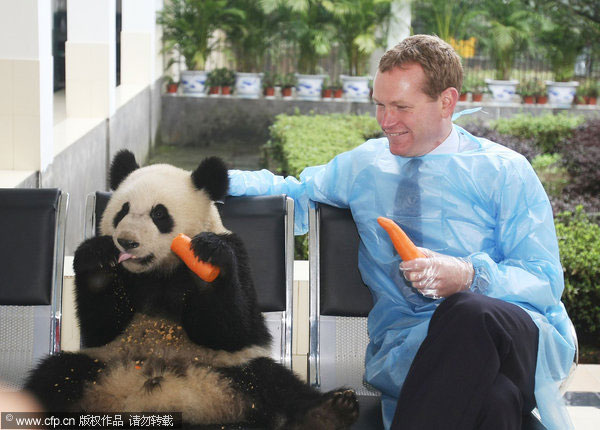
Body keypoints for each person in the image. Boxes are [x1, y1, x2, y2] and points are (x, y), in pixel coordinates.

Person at [228, 35, 576, 430]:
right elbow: (295, 195)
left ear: (447, 101)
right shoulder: (365, 166)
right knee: (496, 401)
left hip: (515, 338)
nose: (385, 120)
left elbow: (544, 279)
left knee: (466, 311)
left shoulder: (505, 172)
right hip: (413, 351)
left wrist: (469, 276)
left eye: (400, 107)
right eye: (379, 104)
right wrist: (210, 180)